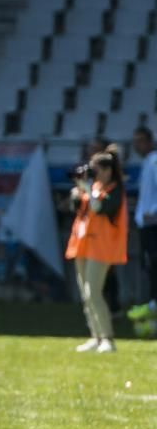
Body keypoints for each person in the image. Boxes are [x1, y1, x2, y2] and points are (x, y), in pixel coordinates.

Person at [65, 150, 128, 353]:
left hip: (101, 247)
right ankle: (95, 335)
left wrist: (88, 190)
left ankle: (107, 338)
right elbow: (76, 207)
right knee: (85, 293)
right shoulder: (94, 186)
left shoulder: (115, 189)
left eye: (97, 170)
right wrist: (79, 190)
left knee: (94, 292)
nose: (94, 173)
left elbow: (102, 208)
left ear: (108, 170)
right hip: (83, 245)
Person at [128, 126, 157, 322]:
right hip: (145, 223)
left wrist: (153, 212)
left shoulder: (155, 161)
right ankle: (153, 304)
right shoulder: (148, 162)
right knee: (149, 265)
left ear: (149, 141)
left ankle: (154, 305)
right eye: (135, 141)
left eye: (140, 140)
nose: (137, 145)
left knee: (154, 264)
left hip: (153, 223)